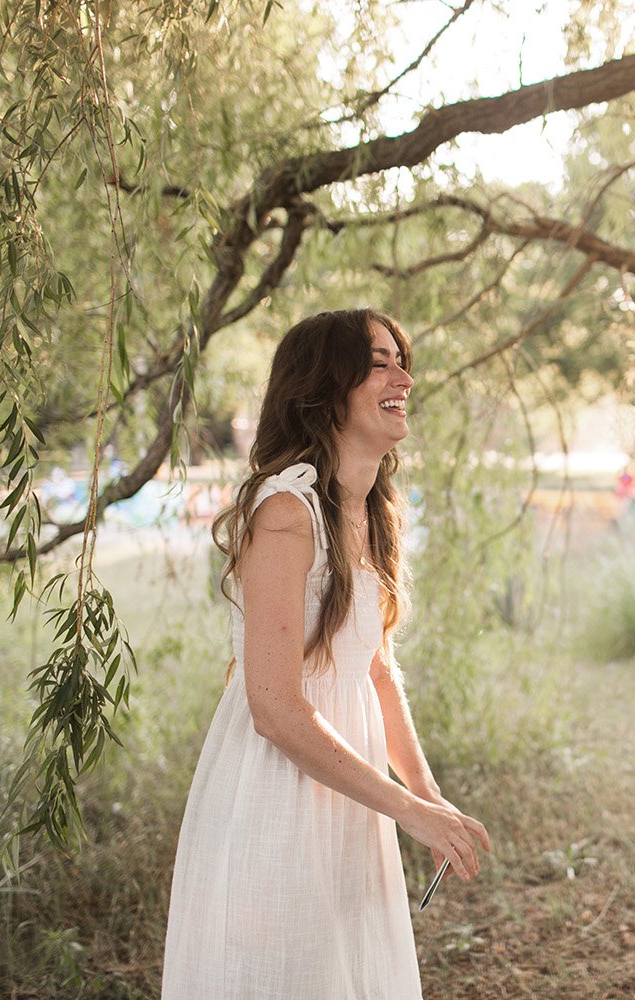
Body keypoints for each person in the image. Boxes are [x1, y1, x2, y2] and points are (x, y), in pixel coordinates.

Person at [161, 308, 491, 999]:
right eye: (380, 362)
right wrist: (405, 809)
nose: (404, 376)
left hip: (348, 795)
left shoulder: (370, 511)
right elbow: (276, 708)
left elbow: (375, 671)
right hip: (278, 797)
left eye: (402, 358)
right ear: (324, 388)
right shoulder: (287, 512)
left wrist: (430, 801)